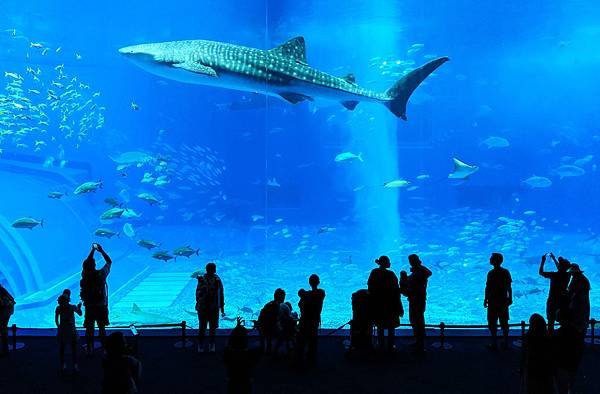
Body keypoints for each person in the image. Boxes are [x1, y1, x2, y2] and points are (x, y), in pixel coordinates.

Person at [80, 243, 112, 356]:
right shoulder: (101, 274)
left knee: (89, 329)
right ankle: (104, 349)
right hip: (100, 306)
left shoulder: (84, 275)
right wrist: (101, 251)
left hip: (89, 306)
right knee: (102, 328)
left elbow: (87, 263)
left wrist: (92, 250)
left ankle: (90, 349)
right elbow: (109, 262)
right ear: (94, 265)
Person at [367, 255, 402, 352]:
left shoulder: (374, 272)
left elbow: (370, 287)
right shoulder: (391, 274)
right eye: (388, 261)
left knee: (380, 325)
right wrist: (399, 306)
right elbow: (396, 291)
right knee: (391, 327)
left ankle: (380, 344)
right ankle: (390, 346)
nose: (390, 263)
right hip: (390, 304)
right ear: (384, 262)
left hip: (378, 304)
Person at [191, 262, 225, 353]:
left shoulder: (217, 280)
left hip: (211, 308)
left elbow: (220, 294)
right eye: (212, 269)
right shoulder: (202, 279)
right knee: (203, 327)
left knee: (211, 327)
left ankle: (210, 343)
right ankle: (202, 344)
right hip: (204, 307)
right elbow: (198, 294)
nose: (213, 271)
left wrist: (222, 307)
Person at [224, 317, 262, 394]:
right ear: (246, 340)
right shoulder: (251, 354)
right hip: (246, 379)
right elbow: (262, 348)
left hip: (232, 379)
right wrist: (259, 330)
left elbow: (230, 341)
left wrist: (237, 328)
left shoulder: (227, 352)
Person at [402, 254, 431, 353]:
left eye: (411, 260)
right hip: (415, 299)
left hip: (418, 300)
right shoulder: (417, 271)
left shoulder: (419, 272)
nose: (410, 262)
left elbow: (427, 273)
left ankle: (420, 344)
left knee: (417, 320)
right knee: (415, 320)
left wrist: (404, 279)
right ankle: (418, 341)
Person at [484, 252, 512, 351]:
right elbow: (509, 287)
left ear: (495, 260)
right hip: (503, 300)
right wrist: (510, 298)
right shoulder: (506, 272)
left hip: (493, 301)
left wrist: (486, 299)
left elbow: (488, 287)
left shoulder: (491, 273)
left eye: (491, 258)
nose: (489, 259)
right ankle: (505, 342)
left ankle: (494, 343)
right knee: (504, 322)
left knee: (493, 322)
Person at [521, 313, 553, 394]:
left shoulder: (528, 338)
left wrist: (522, 366)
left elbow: (524, 354)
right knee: (546, 387)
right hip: (546, 367)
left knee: (531, 387)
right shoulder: (548, 338)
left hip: (532, 366)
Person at [296, 274, 326, 364]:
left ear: (309, 282)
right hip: (314, 320)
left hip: (305, 320)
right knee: (312, 340)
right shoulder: (321, 293)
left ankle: (299, 361)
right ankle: (311, 360)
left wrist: (303, 294)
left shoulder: (306, 295)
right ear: (318, 282)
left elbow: (300, 299)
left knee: (302, 340)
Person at [538, 253, 570, 334]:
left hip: (553, 300)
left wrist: (543, 261)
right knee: (564, 321)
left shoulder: (553, 275)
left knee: (551, 321)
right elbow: (561, 268)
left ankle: (551, 338)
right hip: (563, 300)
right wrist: (554, 259)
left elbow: (541, 272)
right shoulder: (567, 275)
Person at [55, 289, 82, 373]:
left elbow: (56, 320)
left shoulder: (59, 308)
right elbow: (80, 314)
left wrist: (59, 327)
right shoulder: (72, 307)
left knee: (62, 348)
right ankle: (75, 365)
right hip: (71, 330)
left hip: (63, 330)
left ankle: (63, 364)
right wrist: (79, 308)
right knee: (73, 348)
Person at [257, 288, 286, 355]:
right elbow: (272, 320)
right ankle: (274, 352)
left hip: (263, 326)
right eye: (283, 296)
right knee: (282, 336)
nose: (284, 298)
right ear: (280, 297)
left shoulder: (270, 303)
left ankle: (268, 351)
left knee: (269, 339)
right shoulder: (275, 306)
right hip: (267, 327)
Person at [566, 264, 591, 337]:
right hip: (582, 307)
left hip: (579, 308)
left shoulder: (578, 280)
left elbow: (571, 293)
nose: (571, 274)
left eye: (571, 273)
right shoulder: (580, 278)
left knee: (578, 329)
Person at [0, 283, 16, 356]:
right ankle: (5, 349)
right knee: (3, 329)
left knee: (3, 329)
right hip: (7, 310)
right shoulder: (3, 290)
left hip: (5, 311)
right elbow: (12, 300)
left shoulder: (2, 291)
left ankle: (5, 349)